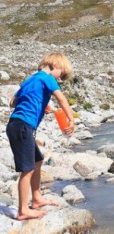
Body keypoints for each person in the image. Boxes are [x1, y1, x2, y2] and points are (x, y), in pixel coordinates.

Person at [6, 52, 75, 220]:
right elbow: (62, 99)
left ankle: (36, 199)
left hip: (17, 125)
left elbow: (13, 102)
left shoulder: (30, 79)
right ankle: (23, 210)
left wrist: (38, 103)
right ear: (54, 66)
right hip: (22, 126)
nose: (59, 80)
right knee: (27, 168)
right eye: (61, 75)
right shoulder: (48, 77)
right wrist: (71, 119)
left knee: (37, 160)